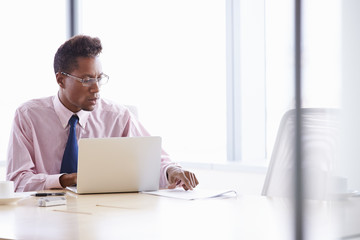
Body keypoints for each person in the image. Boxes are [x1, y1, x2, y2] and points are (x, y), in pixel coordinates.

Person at [6, 35, 199, 192]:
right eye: (87, 79)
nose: (96, 88)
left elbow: (152, 163)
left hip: (103, 218)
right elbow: (17, 180)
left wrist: (171, 170)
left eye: (99, 78)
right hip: (42, 219)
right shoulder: (28, 116)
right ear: (61, 80)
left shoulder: (117, 116)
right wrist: (65, 180)